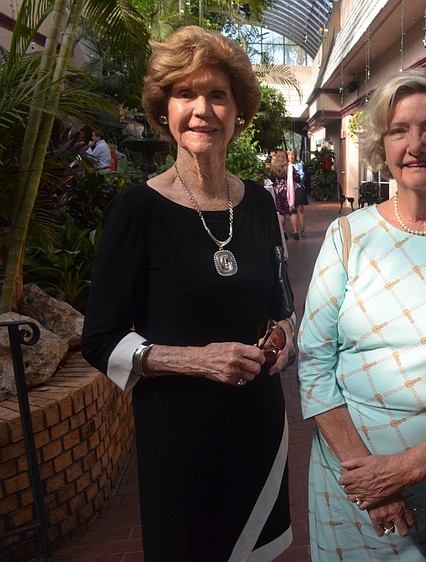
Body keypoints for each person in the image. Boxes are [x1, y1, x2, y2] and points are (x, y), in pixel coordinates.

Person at [81, 26, 296, 562]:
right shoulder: (136, 211)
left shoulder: (259, 207)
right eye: (185, 93)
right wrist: (196, 361)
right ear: (165, 111)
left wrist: (283, 337)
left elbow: (281, 303)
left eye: (217, 95)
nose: (202, 108)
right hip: (180, 437)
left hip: (258, 426)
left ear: (239, 113)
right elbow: (101, 339)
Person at [297, 67, 426, 561]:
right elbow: (313, 361)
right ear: (384, 147)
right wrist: (370, 476)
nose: (416, 144)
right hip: (348, 479)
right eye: (399, 130)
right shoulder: (347, 237)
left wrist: (413, 466)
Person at [268, 150, 298, 239]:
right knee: (292, 211)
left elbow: (271, 178)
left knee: (281, 212)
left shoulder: (274, 168)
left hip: (278, 191)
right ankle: (295, 232)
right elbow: (297, 177)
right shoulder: (289, 167)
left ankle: (283, 232)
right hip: (289, 191)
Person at [287, 149, 308, 239]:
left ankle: (303, 230)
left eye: (293, 155)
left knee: (300, 209)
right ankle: (294, 229)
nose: (291, 156)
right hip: (289, 190)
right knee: (292, 209)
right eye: (289, 155)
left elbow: (302, 176)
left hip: (299, 189)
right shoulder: (285, 166)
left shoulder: (299, 165)